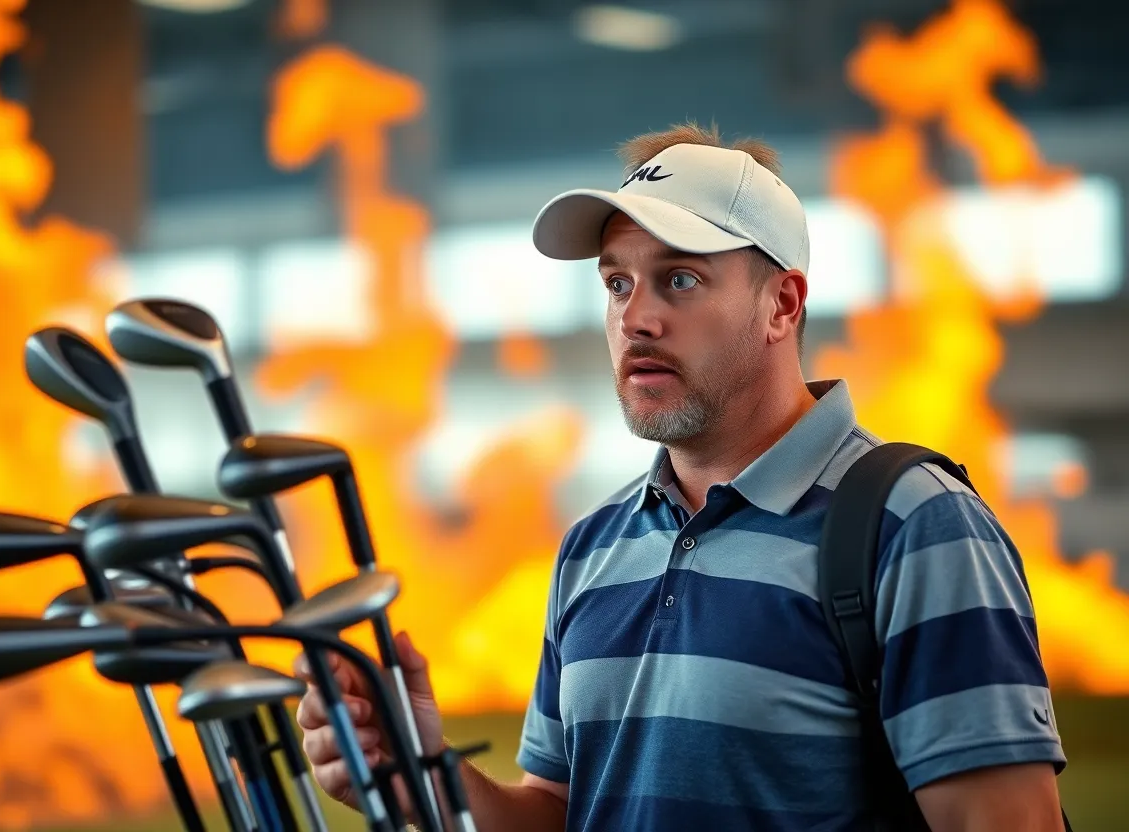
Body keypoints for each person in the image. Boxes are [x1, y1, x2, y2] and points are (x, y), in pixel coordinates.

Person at [293, 122, 1068, 830]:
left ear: (782, 305)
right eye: (617, 283)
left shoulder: (914, 524)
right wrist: (416, 776)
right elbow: (564, 814)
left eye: (681, 280)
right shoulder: (593, 548)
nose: (636, 318)